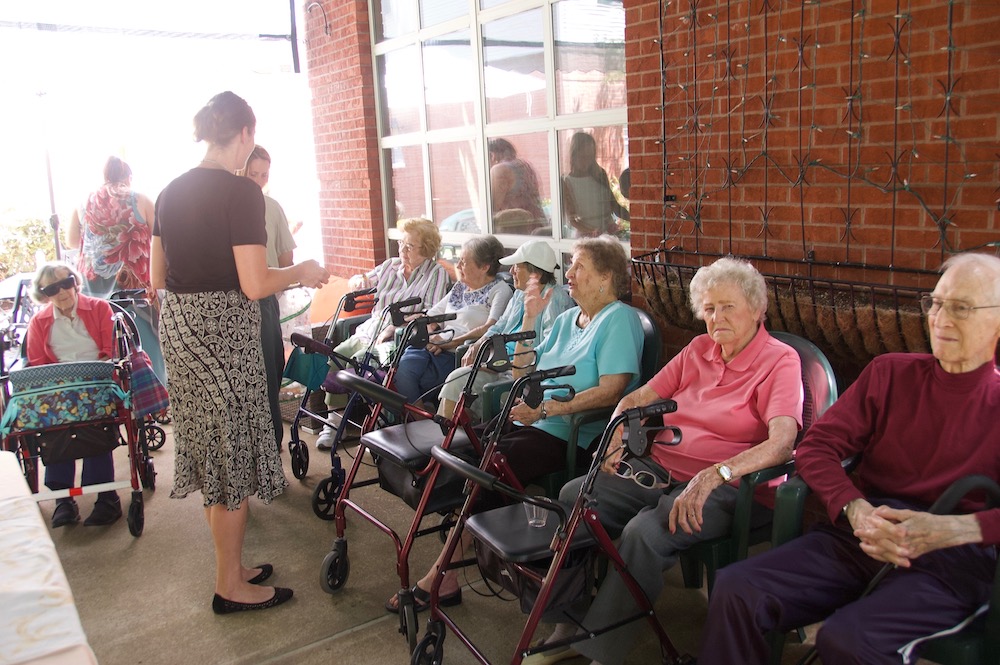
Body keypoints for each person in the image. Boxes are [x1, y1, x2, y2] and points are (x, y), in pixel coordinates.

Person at [696, 252, 1000, 665]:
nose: (941, 318)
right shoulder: (890, 373)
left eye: (961, 307)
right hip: (864, 534)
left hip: (950, 560)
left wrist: (953, 530)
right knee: (736, 588)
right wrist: (854, 509)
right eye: (936, 302)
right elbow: (817, 445)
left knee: (847, 640)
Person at [528, 257, 804, 665]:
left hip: (726, 489)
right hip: (659, 470)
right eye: (709, 309)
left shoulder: (780, 360)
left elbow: (783, 443)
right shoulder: (698, 349)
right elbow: (636, 398)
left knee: (644, 532)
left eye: (728, 306)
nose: (717, 318)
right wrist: (614, 438)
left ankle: (602, 651)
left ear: (757, 308)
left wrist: (716, 473)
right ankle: (566, 621)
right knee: (574, 497)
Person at [386, 236, 644, 613]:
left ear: (606, 277)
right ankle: (473, 541)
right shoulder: (570, 317)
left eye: (578, 267)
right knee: (470, 448)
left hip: (572, 435)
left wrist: (547, 411)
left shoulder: (619, 319)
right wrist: (529, 319)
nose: (568, 274)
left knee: (489, 466)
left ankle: (445, 573)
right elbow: (525, 368)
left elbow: (613, 390)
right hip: (532, 421)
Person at [151, 91, 330, 615]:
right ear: (247, 135)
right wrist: (302, 271)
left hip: (181, 329)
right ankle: (229, 584)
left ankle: (232, 565)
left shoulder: (168, 191)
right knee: (230, 454)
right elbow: (254, 283)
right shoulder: (241, 194)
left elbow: (157, 278)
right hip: (224, 330)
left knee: (213, 448)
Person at [314, 217, 450, 450]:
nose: (402, 250)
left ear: (426, 248)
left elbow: (430, 312)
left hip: (401, 337)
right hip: (371, 330)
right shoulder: (390, 266)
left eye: (409, 246)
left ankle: (376, 426)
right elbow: (366, 279)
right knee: (336, 356)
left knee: (362, 364)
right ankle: (334, 422)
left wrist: (397, 326)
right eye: (401, 244)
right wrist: (358, 280)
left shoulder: (435, 274)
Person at [25, 261, 122, 528]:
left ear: (75, 282)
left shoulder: (100, 308)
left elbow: (111, 351)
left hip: (97, 382)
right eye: (52, 288)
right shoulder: (39, 322)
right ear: (44, 294)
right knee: (54, 422)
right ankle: (62, 499)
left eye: (66, 283)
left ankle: (106, 496)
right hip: (58, 390)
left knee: (92, 417)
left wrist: (89, 380)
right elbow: (36, 364)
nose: (61, 292)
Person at [436, 239, 574, 422]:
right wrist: (478, 344)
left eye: (517, 267)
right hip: (499, 366)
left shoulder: (555, 299)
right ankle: (454, 441)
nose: (511, 272)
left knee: (460, 384)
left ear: (535, 273)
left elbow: (548, 351)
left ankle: (459, 442)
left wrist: (503, 364)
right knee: (457, 382)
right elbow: (500, 325)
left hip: (521, 376)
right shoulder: (519, 294)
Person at [65, 156, 166, 385]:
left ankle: (111, 397)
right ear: (129, 178)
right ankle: (154, 396)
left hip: (93, 287)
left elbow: (71, 240)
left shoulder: (82, 202)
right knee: (145, 341)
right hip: (132, 286)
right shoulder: (140, 199)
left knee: (103, 342)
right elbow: (160, 239)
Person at [393, 236, 512, 408]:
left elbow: (491, 327)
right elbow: (432, 315)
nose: (457, 266)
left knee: (411, 381)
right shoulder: (460, 287)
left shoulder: (499, 290)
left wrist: (448, 343)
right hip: (434, 346)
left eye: (463, 262)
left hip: (456, 353)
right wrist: (434, 333)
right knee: (396, 372)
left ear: (484, 267)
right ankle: (420, 421)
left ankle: (419, 423)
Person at [242, 144, 296, 449]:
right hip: (240, 303)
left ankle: (271, 448)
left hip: (266, 301)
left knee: (272, 371)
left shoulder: (272, 207)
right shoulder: (231, 208)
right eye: (253, 174)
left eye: (264, 174)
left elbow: (286, 257)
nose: (260, 181)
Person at [561, 132, 629, 238]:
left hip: (609, 233)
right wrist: (593, 231)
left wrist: (637, 218)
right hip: (586, 237)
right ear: (573, 155)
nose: (587, 161)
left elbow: (614, 206)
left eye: (591, 157)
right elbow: (572, 220)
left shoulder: (600, 174)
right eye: (583, 157)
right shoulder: (566, 182)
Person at [488, 138, 547, 235]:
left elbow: (492, 207)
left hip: (514, 231)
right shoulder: (525, 165)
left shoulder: (499, 169)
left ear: (492, 155)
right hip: (536, 226)